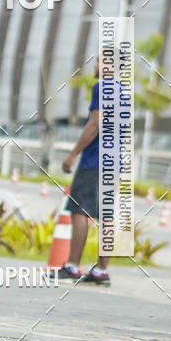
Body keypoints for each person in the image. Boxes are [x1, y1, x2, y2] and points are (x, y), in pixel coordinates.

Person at [60, 57, 110, 285]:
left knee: (79, 210)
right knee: (106, 215)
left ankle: (72, 265)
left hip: (94, 161)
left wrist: (73, 154)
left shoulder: (102, 87)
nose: (95, 66)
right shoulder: (126, 94)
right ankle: (101, 270)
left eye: (99, 61)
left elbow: (94, 124)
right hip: (114, 162)